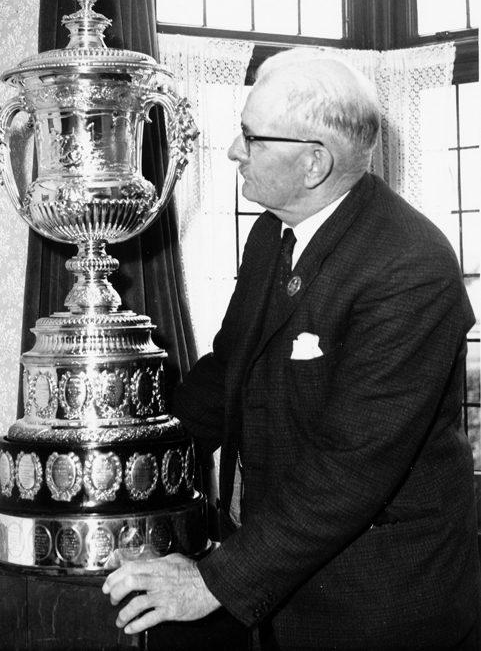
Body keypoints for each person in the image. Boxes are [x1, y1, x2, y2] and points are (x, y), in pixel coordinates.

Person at [103, 51, 480, 650]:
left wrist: (213, 582)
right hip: (285, 577)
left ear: (314, 162)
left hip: (379, 603)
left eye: (251, 137)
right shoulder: (271, 233)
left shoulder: (410, 267)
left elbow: (352, 466)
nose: (232, 150)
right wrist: (121, 459)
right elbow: (228, 370)